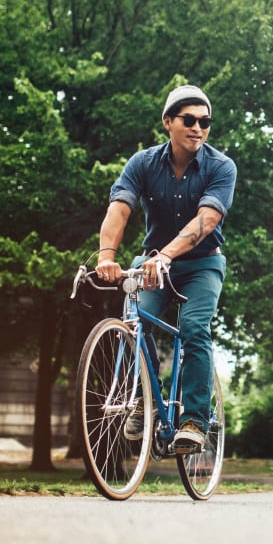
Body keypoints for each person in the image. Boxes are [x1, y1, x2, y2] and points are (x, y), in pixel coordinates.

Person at [94, 84, 236, 454]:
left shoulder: (222, 167)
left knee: (192, 328)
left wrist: (167, 256)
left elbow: (207, 219)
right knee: (132, 324)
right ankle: (145, 400)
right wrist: (106, 255)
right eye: (189, 120)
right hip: (152, 262)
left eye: (205, 122)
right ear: (167, 122)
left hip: (202, 264)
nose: (198, 128)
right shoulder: (142, 163)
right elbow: (120, 208)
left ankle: (193, 421)